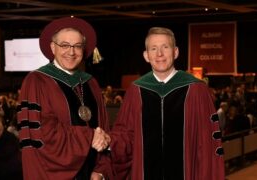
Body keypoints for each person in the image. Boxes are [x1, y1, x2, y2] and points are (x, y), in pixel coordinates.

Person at [107, 27, 225, 179]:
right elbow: (125, 135)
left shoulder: (197, 90)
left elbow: (209, 144)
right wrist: (109, 140)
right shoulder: (136, 91)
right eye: (153, 48)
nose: (159, 54)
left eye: (165, 47)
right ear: (146, 55)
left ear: (175, 52)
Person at [17, 17, 112, 180]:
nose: (71, 52)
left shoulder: (90, 82)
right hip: (54, 174)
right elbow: (40, 133)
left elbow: (104, 130)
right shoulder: (37, 81)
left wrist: (101, 169)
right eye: (64, 45)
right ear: (53, 47)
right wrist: (88, 136)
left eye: (77, 46)